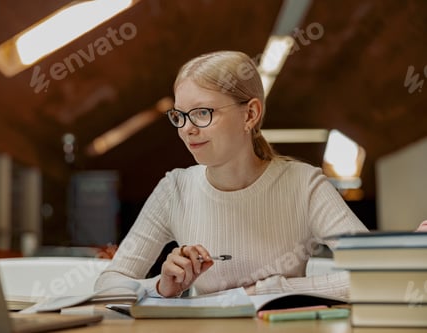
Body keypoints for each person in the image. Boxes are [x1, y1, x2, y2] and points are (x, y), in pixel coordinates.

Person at [94, 50, 369, 299]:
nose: (187, 129)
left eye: (202, 113)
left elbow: (377, 275)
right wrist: (161, 287)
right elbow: (108, 285)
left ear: (250, 114)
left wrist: (273, 290)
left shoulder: (304, 185)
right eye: (180, 116)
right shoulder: (174, 189)